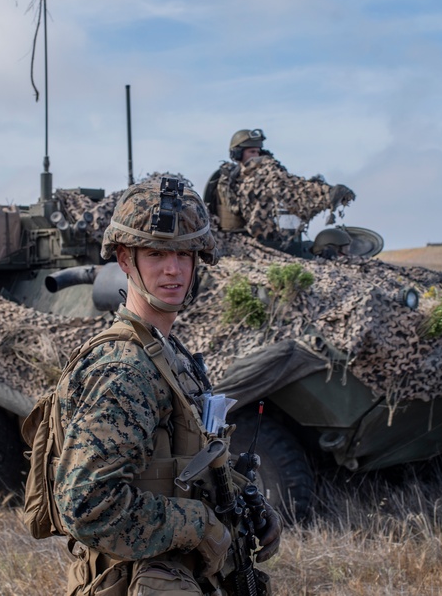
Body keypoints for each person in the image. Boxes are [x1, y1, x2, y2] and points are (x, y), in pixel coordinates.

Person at [52, 175, 282, 595]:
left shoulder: (165, 352)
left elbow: (184, 463)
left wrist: (248, 504)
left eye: (183, 253)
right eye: (156, 253)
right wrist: (199, 526)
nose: (173, 269)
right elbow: (86, 507)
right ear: (125, 259)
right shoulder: (125, 370)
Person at [203, 128, 357, 252]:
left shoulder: (269, 175)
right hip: (233, 242)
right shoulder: (224, 179)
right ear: (237, 153)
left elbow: (294, 188)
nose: (256, 157)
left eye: (258, 152)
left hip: (269, 242)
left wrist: (327, 193)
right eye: (251, 152)